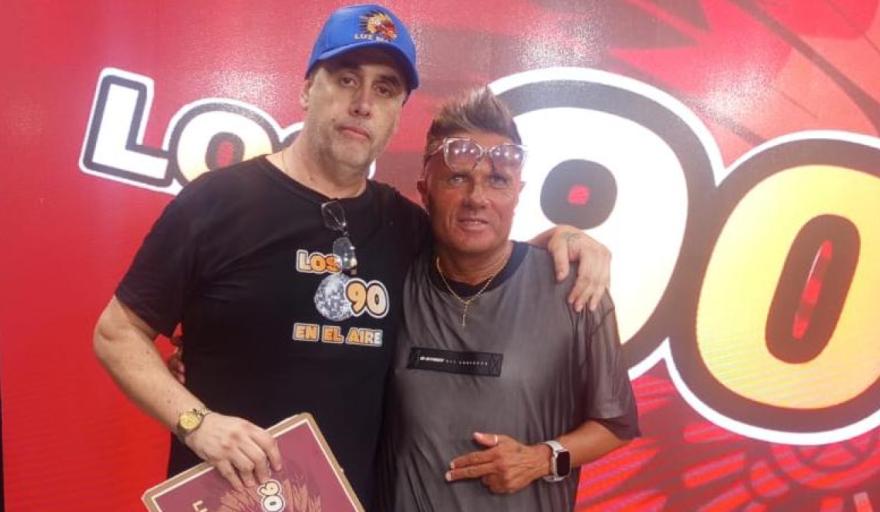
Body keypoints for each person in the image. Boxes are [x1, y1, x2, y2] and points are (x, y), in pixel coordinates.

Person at [92, 4, 610, 507]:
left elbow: (480, 249)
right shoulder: (216, 202)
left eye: (385, 89)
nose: (363, 103)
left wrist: (563, 237)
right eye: (346, 79)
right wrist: (196, 422)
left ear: (396, 114)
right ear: (306, 90)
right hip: (228, 498)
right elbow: (117, 333)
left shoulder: (406, 227)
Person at [378, 87, 639, 511]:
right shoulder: (395, 282)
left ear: (518, 192)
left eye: (497, 181)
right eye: (457, 178)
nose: (476, 198)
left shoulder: (573, 289)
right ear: (425, 190)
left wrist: (542, 459)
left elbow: (616, 423)